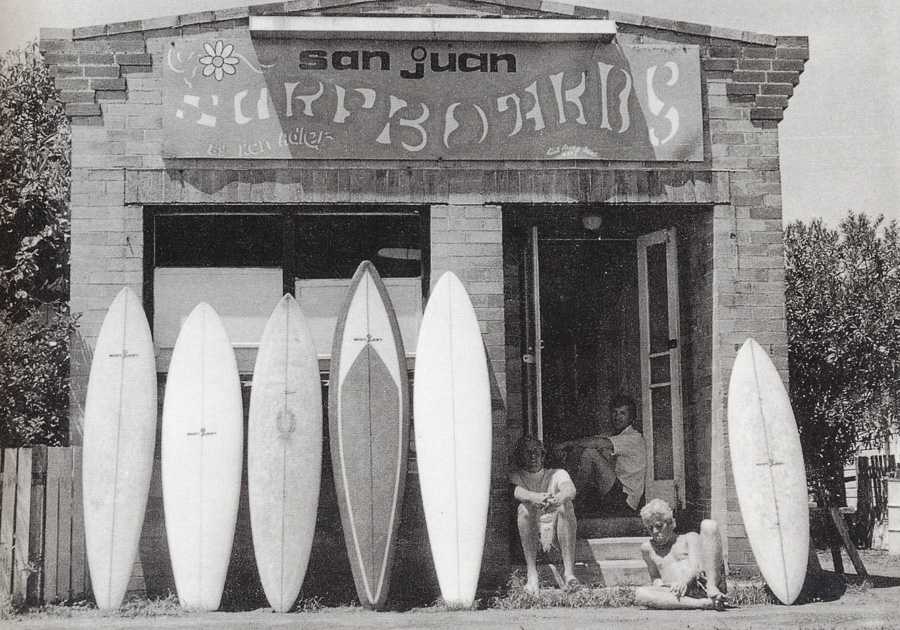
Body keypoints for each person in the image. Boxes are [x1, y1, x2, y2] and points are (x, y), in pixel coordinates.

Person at [509, 435, 580, 594]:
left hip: (556, 539)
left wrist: (558, 499)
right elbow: (517, 492)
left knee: (565, 506)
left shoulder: (557, 474)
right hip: (533, 540)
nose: (533, 456)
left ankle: (569, 573)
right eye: (527, 452)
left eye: (536, 452)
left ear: (543, 455)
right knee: (523, 508)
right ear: (521, 456)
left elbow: (570, 490)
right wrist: (535, 498)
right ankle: (532, 574)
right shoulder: (516, 476)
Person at [554, 395, 646, 516]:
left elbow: (598, 442)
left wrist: (567, 444)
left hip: (625, 499)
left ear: (631, 417)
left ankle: (568, 499)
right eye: (615, 412)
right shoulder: (617, 436)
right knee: (588, 450)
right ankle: (568, 498)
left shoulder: (633, 437)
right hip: (616, 492)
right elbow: (596, 439)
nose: (617, 417)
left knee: (590, 453)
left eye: (622, 413)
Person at [634, 498, 728, 610]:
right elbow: (655, 577)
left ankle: (712, 589)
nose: (654, 531)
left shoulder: (689, 538)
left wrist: (683, 582)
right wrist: (660, 585)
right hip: (675, 593)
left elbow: (695, 568)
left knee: (709, 525)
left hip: (699, 586)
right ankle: (704, 604)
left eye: (659, 526)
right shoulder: (647, 549)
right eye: (650, 528)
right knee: (641, 594)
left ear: (670, 523)